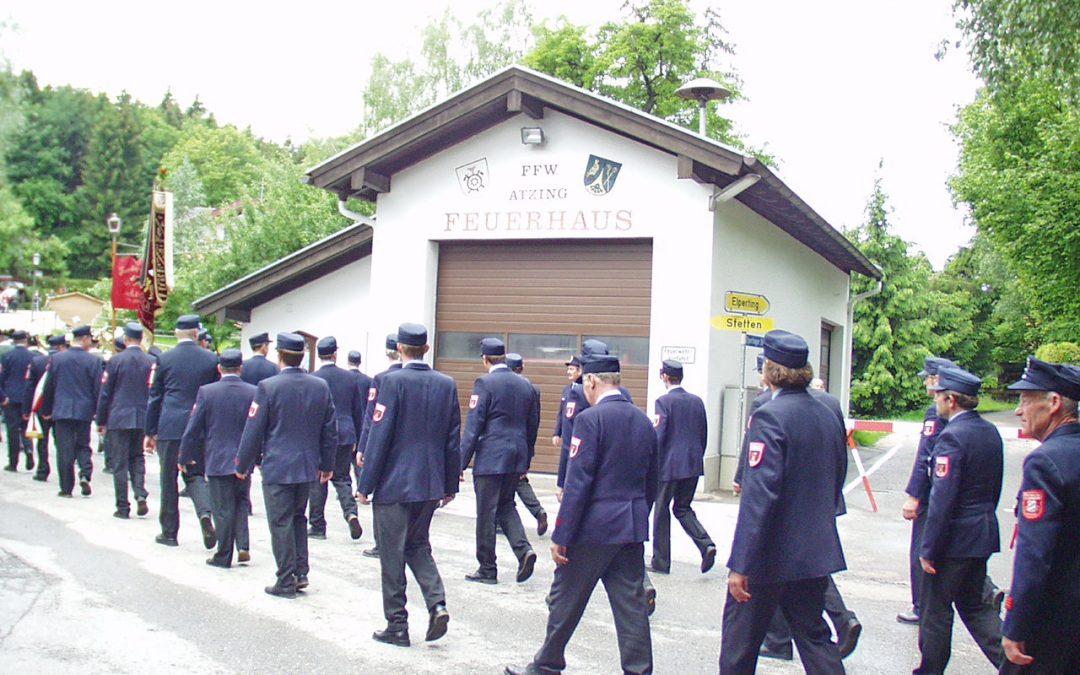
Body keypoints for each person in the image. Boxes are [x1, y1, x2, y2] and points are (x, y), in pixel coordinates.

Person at [506, 353, 657, 675]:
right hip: (630, 526)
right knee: (631, 606)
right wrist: (638, 514)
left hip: (593, 528)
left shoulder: (591, 420)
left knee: (565, 599)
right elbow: (651, 480)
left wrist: (562, 534)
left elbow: (579, 482)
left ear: (591, 381)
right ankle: (639, 670)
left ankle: (546, 666)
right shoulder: (643, 420)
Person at [720, 330, 847, 674]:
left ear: (769, 370)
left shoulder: (769, 415)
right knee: (815, 637)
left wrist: (741, 564)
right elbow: (837, 474)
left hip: (769, 554)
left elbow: (759, 497)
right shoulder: (826, 410)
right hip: (813, 549)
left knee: (739, 645)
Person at [357, 323, 458, 646]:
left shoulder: (390, 381)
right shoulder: (446, 384)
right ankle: (436, 602)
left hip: (394, 483)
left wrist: (365, 483)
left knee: (391, 553)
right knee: (417, 545)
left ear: (399, 349)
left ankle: (397, 625)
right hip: (429, 481)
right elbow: (452, 438)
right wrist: (449, 483)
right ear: (426, 349)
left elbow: (380, 435)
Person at [757, 367, 862, 662]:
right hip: (820, 506)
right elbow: (840, 461)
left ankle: (779, 641)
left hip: (785, 514)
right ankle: (841, 619)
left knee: (783, 579)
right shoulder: (829, 406)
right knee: (811, 578)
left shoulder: (768, 407)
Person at [914, 365, 1005, 673]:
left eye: (939, 395)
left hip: (952, 542)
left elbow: (942, 500)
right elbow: (994, 486)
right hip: (981, 534)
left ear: (951, 399)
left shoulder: (953, 436)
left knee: (935, 612)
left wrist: (928, 549)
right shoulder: (989, 431)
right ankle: (1013, 664)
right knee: (975, 607)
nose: (935, 400)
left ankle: (930, 670)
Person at [236, 332, 337, 597]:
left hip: (277, 464)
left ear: (279, 355)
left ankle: (285, 578)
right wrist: (327, 463)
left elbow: (253, 428)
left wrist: (243, 463)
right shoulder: (320, 386)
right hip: (306, 465)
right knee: (298, 519)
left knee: (280, 522)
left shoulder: (268, 387)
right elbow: (330, 429)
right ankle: (301, 571)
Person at [999, 358, 1080, 672]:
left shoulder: (1045, 462)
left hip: (1053, 620)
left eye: (1025, 400)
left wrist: (1016, 624)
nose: (1019, 411)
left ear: (1055, 403)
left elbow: (1035, 554)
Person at [461, 338, 540, 585]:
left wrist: (460, 464)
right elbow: (532, 425)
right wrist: (526, 457)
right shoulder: (526, 385)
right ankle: (523, 549)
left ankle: (487, 567)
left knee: (486, 511)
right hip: (516, 455)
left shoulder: (485, 383)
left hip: (491, 457)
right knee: (506, 504)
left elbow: (474, 427)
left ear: (484, 359)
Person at [145, 314, 220, 548]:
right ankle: (205, 514)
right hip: (197, 426)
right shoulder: (210, 359)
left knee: (169, 478)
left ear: (177, 334)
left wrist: (150, 431)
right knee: (195, 475)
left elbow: (155, 397)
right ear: (197, 334)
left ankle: (169, 532)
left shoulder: (164, 359)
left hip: (170, 426)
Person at [180, 349, 257, 568]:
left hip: (218, 456)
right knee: (241, 501)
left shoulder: (207, 392)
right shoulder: (252, 391)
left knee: (222, 508)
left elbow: (193, 427)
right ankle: (243, 546)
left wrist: (185, 455)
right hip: (243, 458)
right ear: (240, 368)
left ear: (219, 368)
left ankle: (223, 555)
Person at [898, 356, 955, 625]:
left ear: (936, 381)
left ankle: (921, 606)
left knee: (920, 549)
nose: (924, 382)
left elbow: (926, 456)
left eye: (927, 378)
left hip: (932, 493)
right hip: (948, 491)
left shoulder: (935, 412)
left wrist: (914, 495)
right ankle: (986, 591)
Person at [651, 359, 716, 576]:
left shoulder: (663, 402)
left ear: (664, 377)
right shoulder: (697, 401)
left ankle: (661, 561)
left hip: (669, 465)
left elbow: (659, 436)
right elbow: (703, 433)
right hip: (692, 463)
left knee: (661, 510)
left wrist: (652, 463)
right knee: (682, 508)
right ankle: (705, 543)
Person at [308, 336, 365, 541]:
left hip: (321, 435)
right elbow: (358, 411)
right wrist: (359, 438)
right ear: (335, 354)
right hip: (346, 433)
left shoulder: (313, 378)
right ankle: (351, 513)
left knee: (318, 479)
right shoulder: (350, 378)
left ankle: (317, 525)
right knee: (342, 477)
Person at [95, 322, 153, 519]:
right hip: (142, 415)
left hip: (119, 416)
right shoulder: (150, 361)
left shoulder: (116, 360)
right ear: (141, 339)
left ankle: (122, 506)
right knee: (137, 457)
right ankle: (140, 493)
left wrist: (101, 420)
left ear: (126, 339)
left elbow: (106, 393)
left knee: (120, 462)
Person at [40, 325, 103, 497]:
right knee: (83, 444)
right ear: (84, 339)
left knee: (64, 448)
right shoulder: (93, 361)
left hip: (62, 409)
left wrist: (46, 409)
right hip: (84, 410)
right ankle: (84, 473)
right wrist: (98, 412)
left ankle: (66, 488)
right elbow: (98, 388)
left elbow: (49, 386)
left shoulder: (58, 359)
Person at [354, 333, 402, 560]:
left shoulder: (382, 379)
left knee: (382, 498)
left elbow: (372, 417)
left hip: (387, 447)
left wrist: (363, 447)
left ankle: (381, 544)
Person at [507, 352, 548, 536]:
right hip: (522, 444)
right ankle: (537, 511)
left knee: (505, 483)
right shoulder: (532, 389)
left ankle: (504, 519)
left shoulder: (499, 387)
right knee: (519, 481)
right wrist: (529, 450)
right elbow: (534, 422)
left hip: (500, 446)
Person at [22, 334, 66, 481]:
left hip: (41, 407)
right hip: (60, 408)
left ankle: (42, 469)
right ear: (61, 347)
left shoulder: (37, 361)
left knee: (42, 440)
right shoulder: (65, 361)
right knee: (61, 441)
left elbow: (29, 388)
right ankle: (65, 472)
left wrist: (27, 410)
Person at [733, 354, 770, 495]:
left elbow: (751, 439)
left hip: (761, 474)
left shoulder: (761, 402)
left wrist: (739, 477)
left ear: (764, 374)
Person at [1, 329, 35, 471]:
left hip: (11, 397)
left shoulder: (7, 356)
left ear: (14, 341)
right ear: (26, 340)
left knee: (12, 429)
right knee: (27, 428)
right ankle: (29, 449)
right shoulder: (33, 357)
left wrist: (2, 397)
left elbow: (1, 378)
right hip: (28, 397)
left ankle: (13, 462)